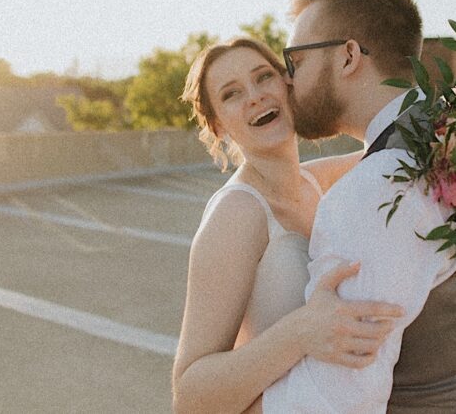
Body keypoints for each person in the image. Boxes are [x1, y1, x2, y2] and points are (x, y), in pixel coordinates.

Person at [262, 0, 456, 413]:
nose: (286, 80)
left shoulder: (375, 192)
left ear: (348, 56)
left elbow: (335, 402)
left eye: (295, 60)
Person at [171, 37, 405, 414]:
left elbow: (397, 145)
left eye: (263, 77)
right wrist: (301, 332)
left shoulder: (317, 182)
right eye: (231, 94)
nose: (254, 97)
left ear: (288, 82)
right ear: (218, 127)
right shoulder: (237, 213)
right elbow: (189, 398)